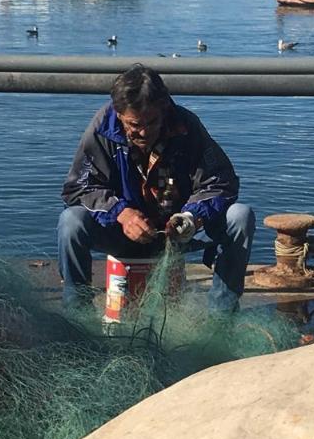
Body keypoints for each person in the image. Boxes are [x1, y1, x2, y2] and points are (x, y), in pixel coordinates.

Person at [58, 64, 254, 314]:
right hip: (120, 233)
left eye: (151, 122)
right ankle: (77, 314)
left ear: (163, 108)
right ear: (119, 115)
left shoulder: (186, 126)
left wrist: (192, 217)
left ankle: (222, 314)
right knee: (71, 221)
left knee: (240, 216)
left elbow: (220, 180)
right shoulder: (101, 130)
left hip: (178, 233)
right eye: (134, 125)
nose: (143, 132)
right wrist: (121, 212)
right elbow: (78, 188)